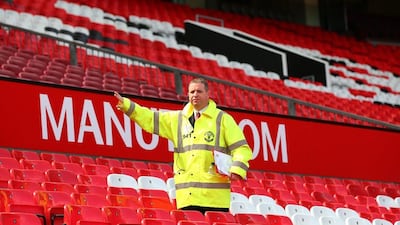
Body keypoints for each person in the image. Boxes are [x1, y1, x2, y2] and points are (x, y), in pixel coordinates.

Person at [114, 77, 253, 214]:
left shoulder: (223, 119)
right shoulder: (177, 119)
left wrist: (237, 169)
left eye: (199, 91)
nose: (195, 95)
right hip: (187, 198)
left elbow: (241, 148)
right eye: (192, 92)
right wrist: (127, 106)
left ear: (208, 94)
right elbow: (150, 118)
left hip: (214, 199)